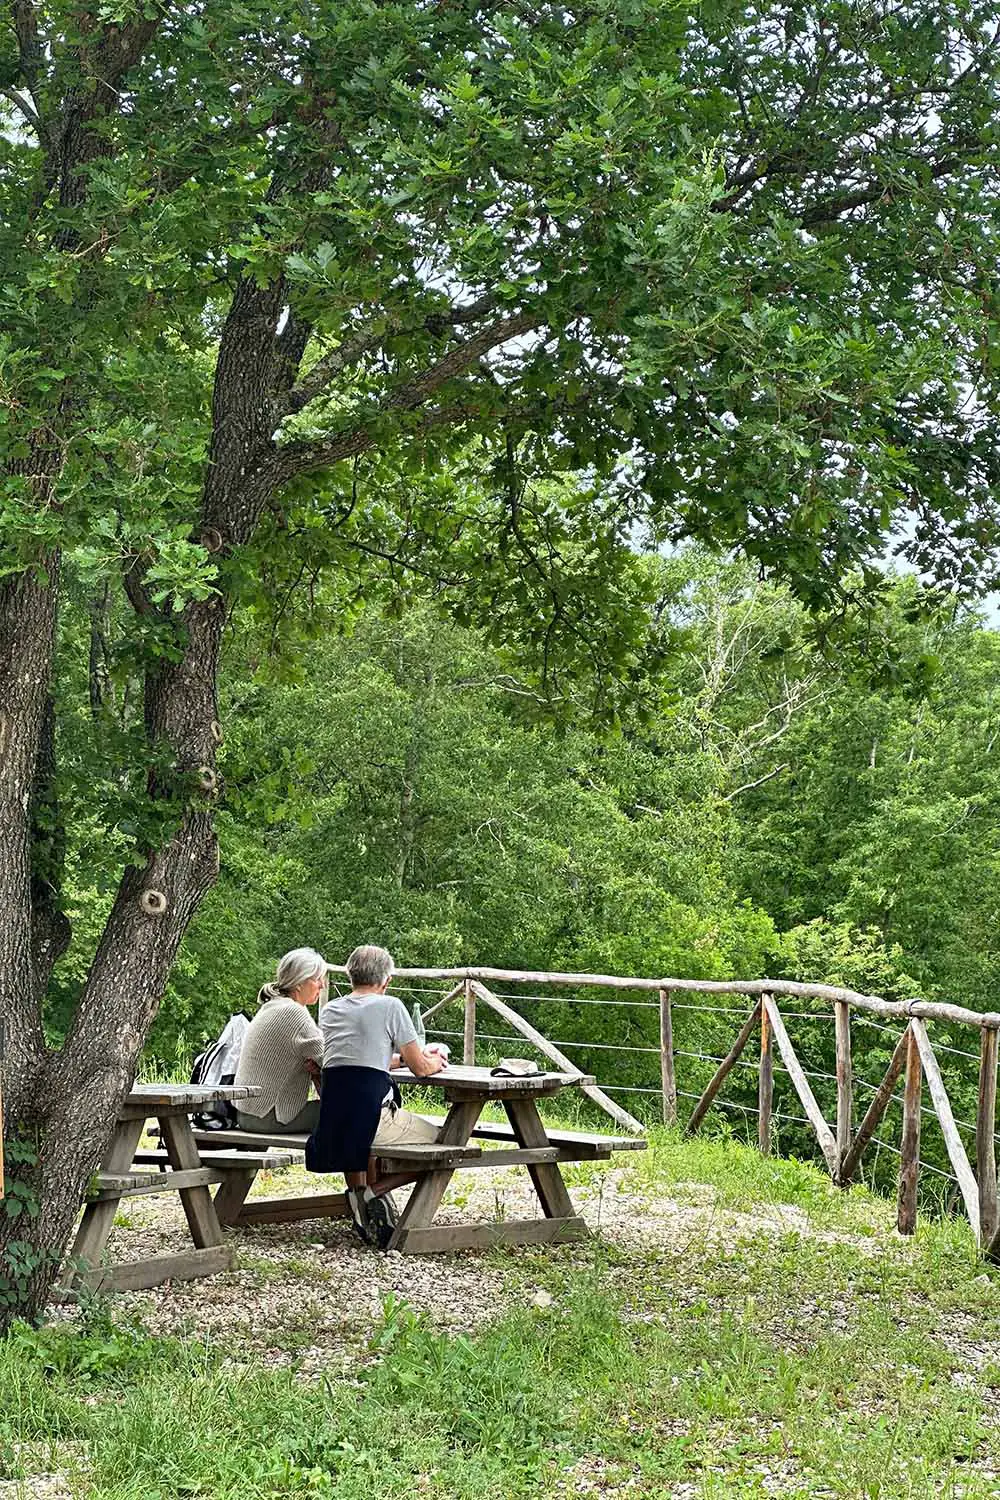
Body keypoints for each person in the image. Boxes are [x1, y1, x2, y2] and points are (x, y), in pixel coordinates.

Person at [307, 943, 446, 1247]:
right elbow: (420, 1067)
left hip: (335, 1119)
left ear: (350, 975)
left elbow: (357, 1060)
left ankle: (359, 1199)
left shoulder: (331, 1010)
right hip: (373, 1119)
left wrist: (398, 1059)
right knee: (445, 1143)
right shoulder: (391, 1006)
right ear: (387, 980)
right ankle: (373, 1194)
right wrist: (435, 1060)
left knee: (361, 1132)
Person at [234, 947, 326, 1133]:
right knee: (355, 1114)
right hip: (268, 1116)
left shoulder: (273, 1006)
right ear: (299, 983)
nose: (322, 985)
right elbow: (331, 1059)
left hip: (247, 1113)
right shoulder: (293, 1013)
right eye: (317, 979)